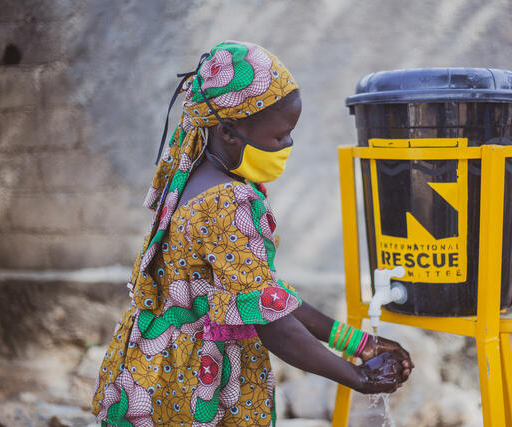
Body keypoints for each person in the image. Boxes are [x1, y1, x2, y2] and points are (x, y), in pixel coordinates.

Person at [91, 41, 413, 426]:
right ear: (229, 131)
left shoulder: (191, 179)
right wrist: (358, 377)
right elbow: (273, 324)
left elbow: (266, 296)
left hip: (156, 370)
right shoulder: (229, 202)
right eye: (279, 137)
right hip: (199, 383)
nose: (289, 145)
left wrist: (358, 343)